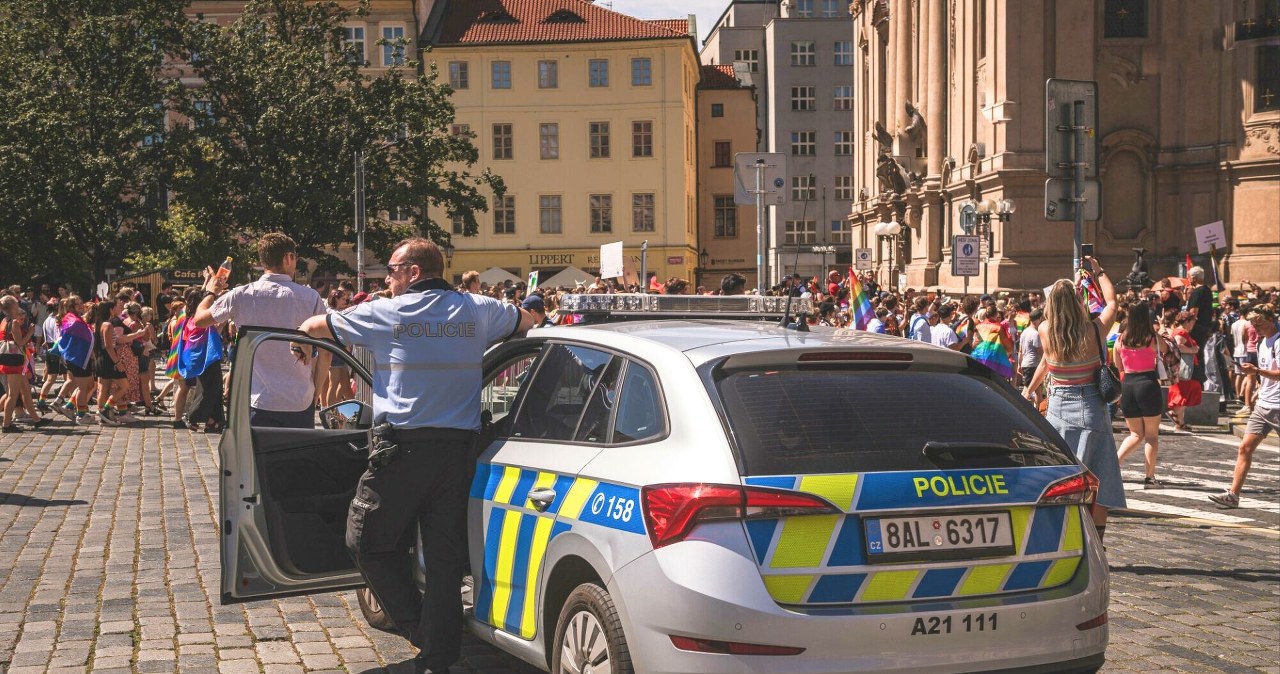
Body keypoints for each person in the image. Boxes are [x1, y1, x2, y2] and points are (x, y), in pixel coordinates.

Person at [300, 237, 535, 673]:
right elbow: (528, 319)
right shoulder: (479, 309)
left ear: (411, 272)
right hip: (455, 454)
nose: (385, 279)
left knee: (365, 540)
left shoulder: (387, 312)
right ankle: (440, 653)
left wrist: (300, 339)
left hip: (401, 453)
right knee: (444, 561)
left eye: (390, 271)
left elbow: (317, 327)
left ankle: (419, 630)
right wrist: (535, 302)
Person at [1023, 258, 1124, 542]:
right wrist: (1099, 272)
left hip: (1058, 408)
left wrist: (1029, 389)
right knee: (1099, 479)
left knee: (1063, 478)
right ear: (1078, 301)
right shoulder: (1093, 330)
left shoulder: (1045, 330)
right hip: (1091, 405)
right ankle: (1098, 544)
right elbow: (1113, 302)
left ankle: (1064, 538)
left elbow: (1046, 361)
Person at [192, 233, 327, 428]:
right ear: (288, 257)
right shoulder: (311, 298)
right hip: (299, 397)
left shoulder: (241, 294)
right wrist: (316, 392)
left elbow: (200, 320)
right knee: (297, 458)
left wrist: (211, 292)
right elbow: (326, 352)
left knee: (256, 458)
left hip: (256, 397)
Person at [1210, 305, 1280, 508]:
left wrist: (1257, 371)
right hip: (1263, 405)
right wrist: (1259, 385)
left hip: (1277, 406)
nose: (1255, 328)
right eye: (1253, 324)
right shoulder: (1262, 342)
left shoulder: (1277, 341)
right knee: (1244, 447)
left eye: (1259, 323)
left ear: (1271, 320)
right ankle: (1233, 495)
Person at [1113, 300, 1168, 488]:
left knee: (1135, 434)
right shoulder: (1152, 338)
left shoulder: (1120, 339)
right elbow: (1166, 350)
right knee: (1151, 436)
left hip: (1128, 385)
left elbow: (1117, 365)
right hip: (1147, 384)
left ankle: (1114, 464)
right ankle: (1149, 477)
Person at [1, 295, 51, 432]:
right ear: (12, 306)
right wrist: (30, 332)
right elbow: (20, 342)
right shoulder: (14, 322)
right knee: (13, 394)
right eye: (16, 303)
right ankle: (6, 424)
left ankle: (37, 419)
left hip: (12, 360)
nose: (18, 305)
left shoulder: (5, 321)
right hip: (14, 362)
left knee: (26, 391)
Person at [179, 287, 225, 433]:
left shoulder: (190, 318)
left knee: (215, 389)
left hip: (202, 358)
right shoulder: (198, 320)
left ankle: (214, 421)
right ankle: (192, 416)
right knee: (210, 389)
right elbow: (216, 329)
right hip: (205, 358)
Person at [1167, 311, 1203, 430]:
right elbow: (1178, 346)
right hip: (1184, 369)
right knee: (1189, 390)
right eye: (1192, 322)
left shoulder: (1181, 331)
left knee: (1184, 392)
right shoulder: (1181, 332)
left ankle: (1180, 423)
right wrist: (1193, 350)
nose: (1193, 324)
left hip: (1184, 369)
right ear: (1187, 322)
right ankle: (1174, 414)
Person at [1018, 308, 1045, 398]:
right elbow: (1040, 352)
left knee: (1038, 392)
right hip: (1033, 365)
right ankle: (1019, 407)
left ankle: (1036, 410)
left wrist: (1019, 364)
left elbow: (1020, 351)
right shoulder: (1035, 334)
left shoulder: (1024, 332)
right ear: (1039, 319)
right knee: (1027, 391)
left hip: (1026, 363)